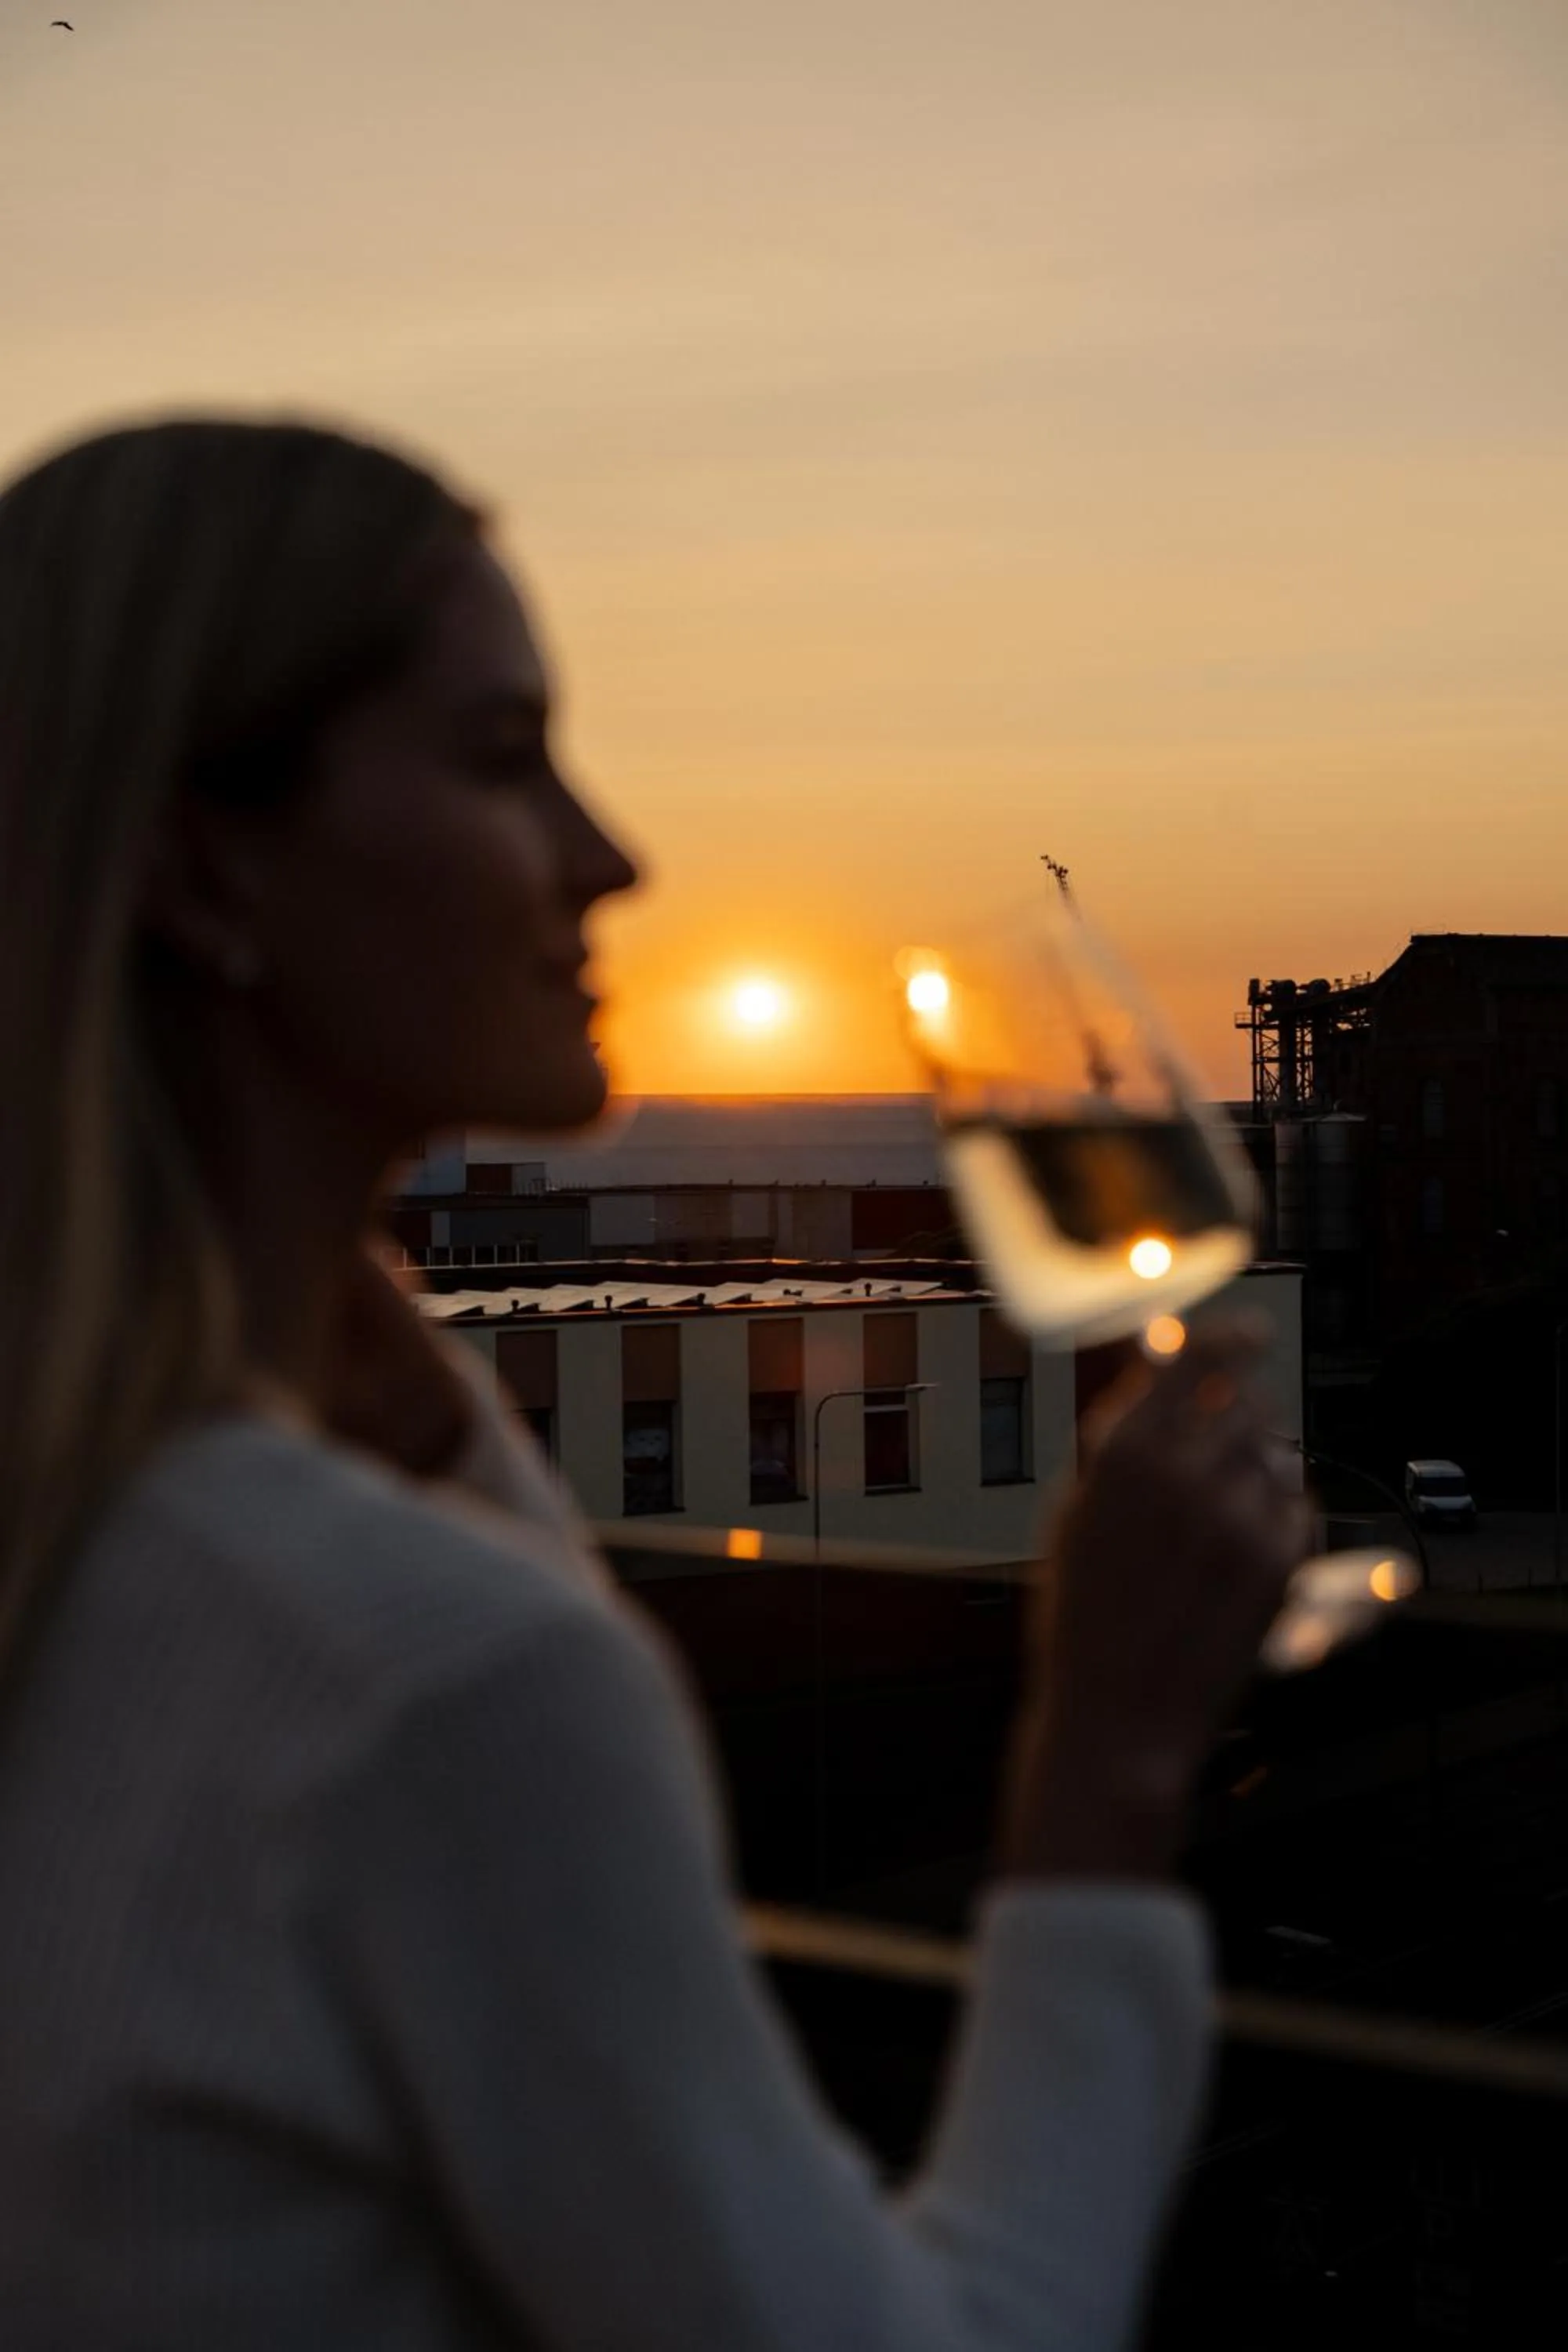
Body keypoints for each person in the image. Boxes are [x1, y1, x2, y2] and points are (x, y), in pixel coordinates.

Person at [0, 415, 1308, 2350]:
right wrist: (1106, 1767)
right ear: (207, 865)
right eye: (500, 758)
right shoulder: (431, 1681)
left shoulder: (142, 1542)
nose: (616, 855)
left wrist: (423, 1402)